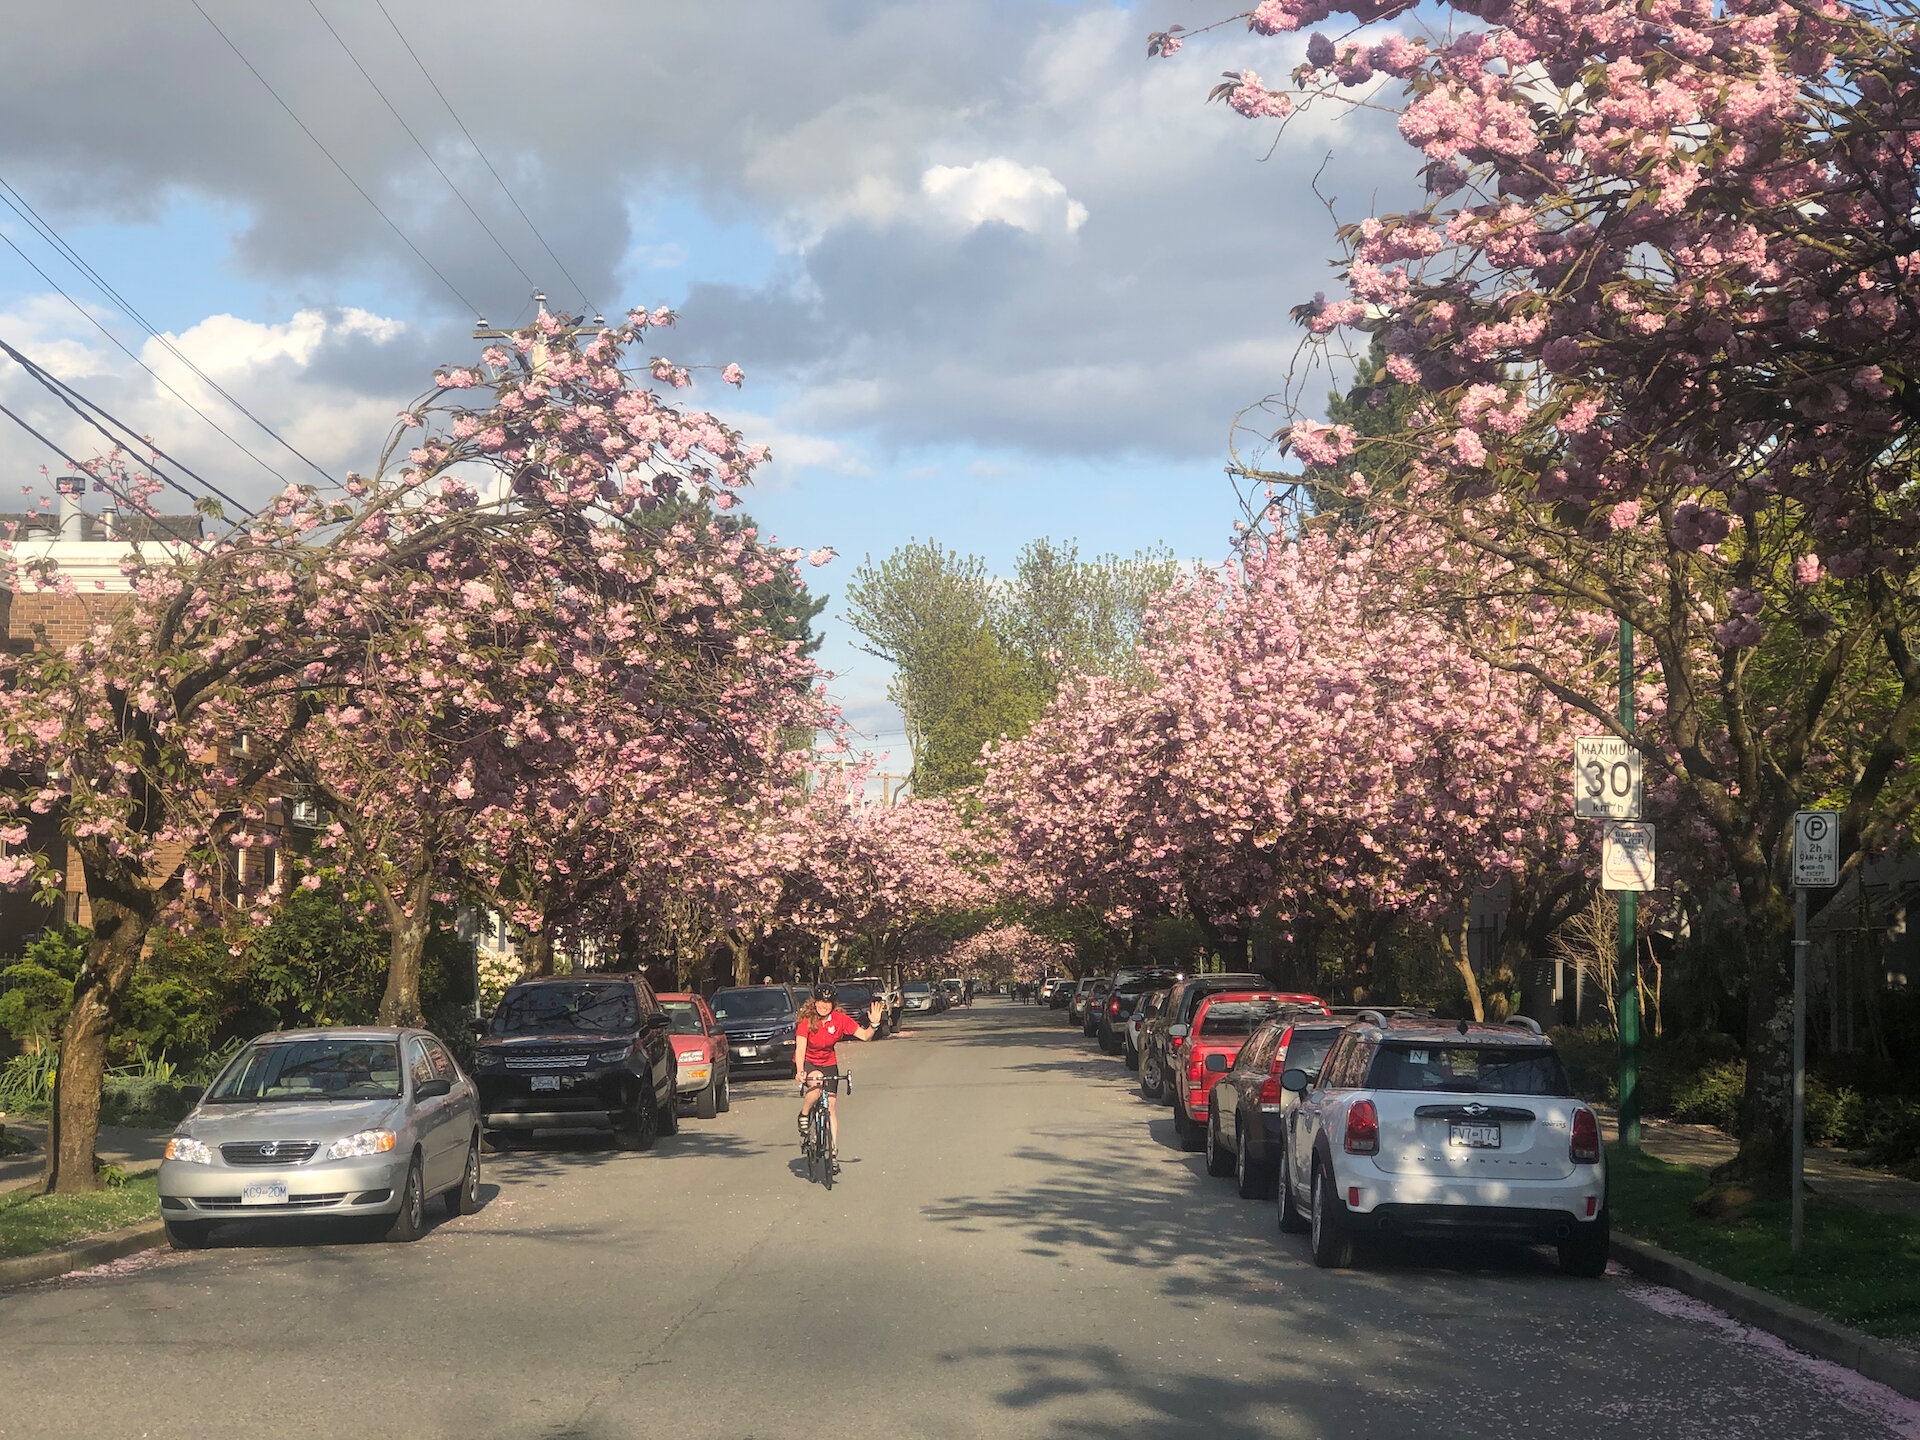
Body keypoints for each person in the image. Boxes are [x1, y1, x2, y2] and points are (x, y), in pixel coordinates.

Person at [795, 984, 884, 1164]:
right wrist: (800, 1071)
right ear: (814, 1002)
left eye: (827, 1002)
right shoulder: (806, 1020)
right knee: (817, 1082)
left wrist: (874, 1024)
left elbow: (865, 1036)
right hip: (809, 1062)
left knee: (831, 1108)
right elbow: (800, 1048)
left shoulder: (839, 1019)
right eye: (820, 1001)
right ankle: (804, 1113)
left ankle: (833, 1151)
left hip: (829, 1062)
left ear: (833, 1004)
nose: (823, 1006)